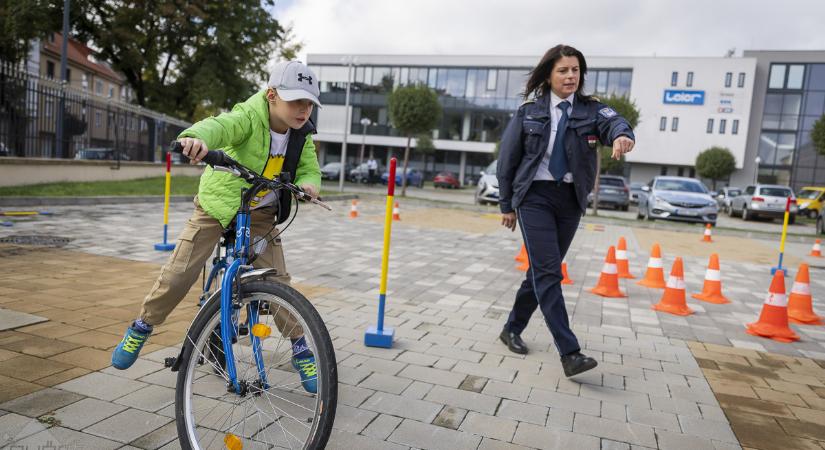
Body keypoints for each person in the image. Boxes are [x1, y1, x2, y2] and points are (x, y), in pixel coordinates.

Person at [111, 60, 323, 393]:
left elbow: (309, 168)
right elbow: (219, 127)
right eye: (296, 100)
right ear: (271, 96)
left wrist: (309, 184)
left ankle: (301, 348)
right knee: (182, 270)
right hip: (219, 206)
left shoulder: (302, 135)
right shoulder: (249, 117)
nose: (303, 109)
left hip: (261, 215)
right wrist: (194, 138)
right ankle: (142, 325)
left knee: (279, 282)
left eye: (309, 102)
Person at [496, 45, 635, 377]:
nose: (571, 76)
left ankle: (511, 329)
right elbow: (507, 160)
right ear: (549, 75)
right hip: (534, 197)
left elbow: (615, 122)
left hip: (570, 200)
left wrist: (622, 137)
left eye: (575, 70)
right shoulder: (529, 111)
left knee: (542, 272)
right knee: (548, 273)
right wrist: (506, 205)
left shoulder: (591, 110)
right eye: (563, 70)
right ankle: (569, 352)